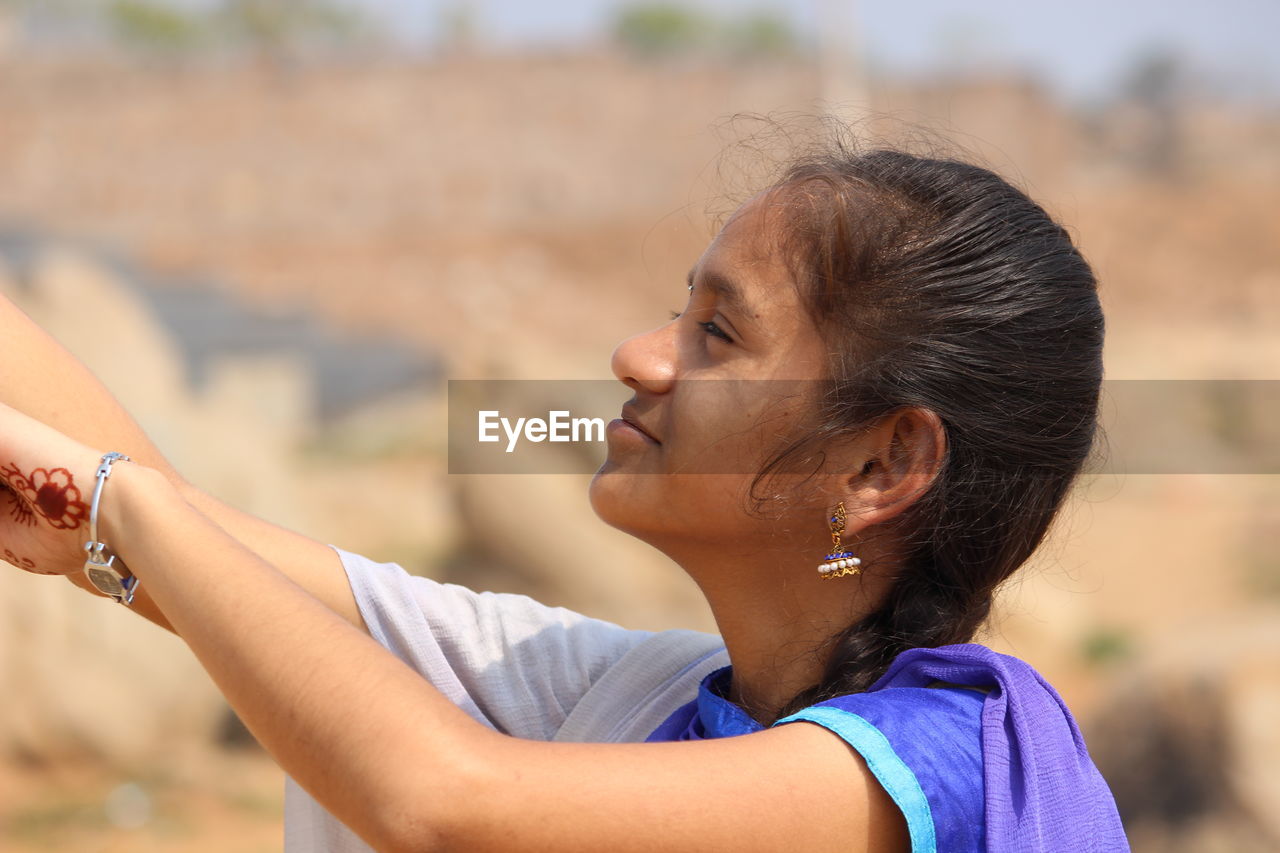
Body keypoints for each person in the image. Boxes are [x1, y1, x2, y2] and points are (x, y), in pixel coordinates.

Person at [0, 135, 1129, 852]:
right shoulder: (640, 701)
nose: (637, 355)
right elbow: (210, 565)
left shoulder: (932, 767)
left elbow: (443, 804)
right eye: (677, 311)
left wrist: (122, 512)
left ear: (880, 465)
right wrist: (125, 511)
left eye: (716, 334)